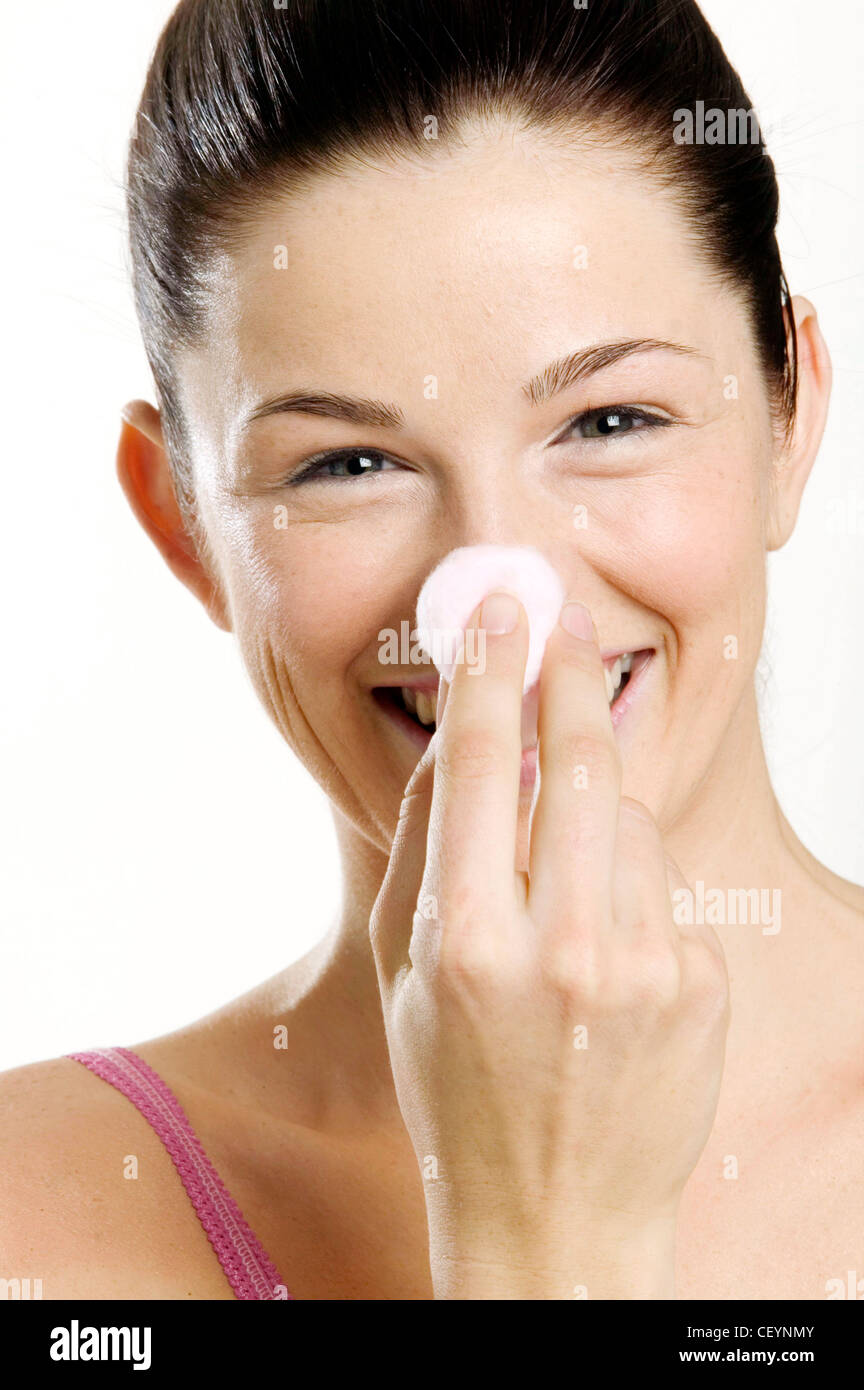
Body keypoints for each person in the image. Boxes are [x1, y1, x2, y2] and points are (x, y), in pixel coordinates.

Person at [1, 0, 860, 1300]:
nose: (496, 601)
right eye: (349, 463)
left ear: (789, 415)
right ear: (180, 526)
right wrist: (544, 1245)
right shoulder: (43, 1236)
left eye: (612, 418)